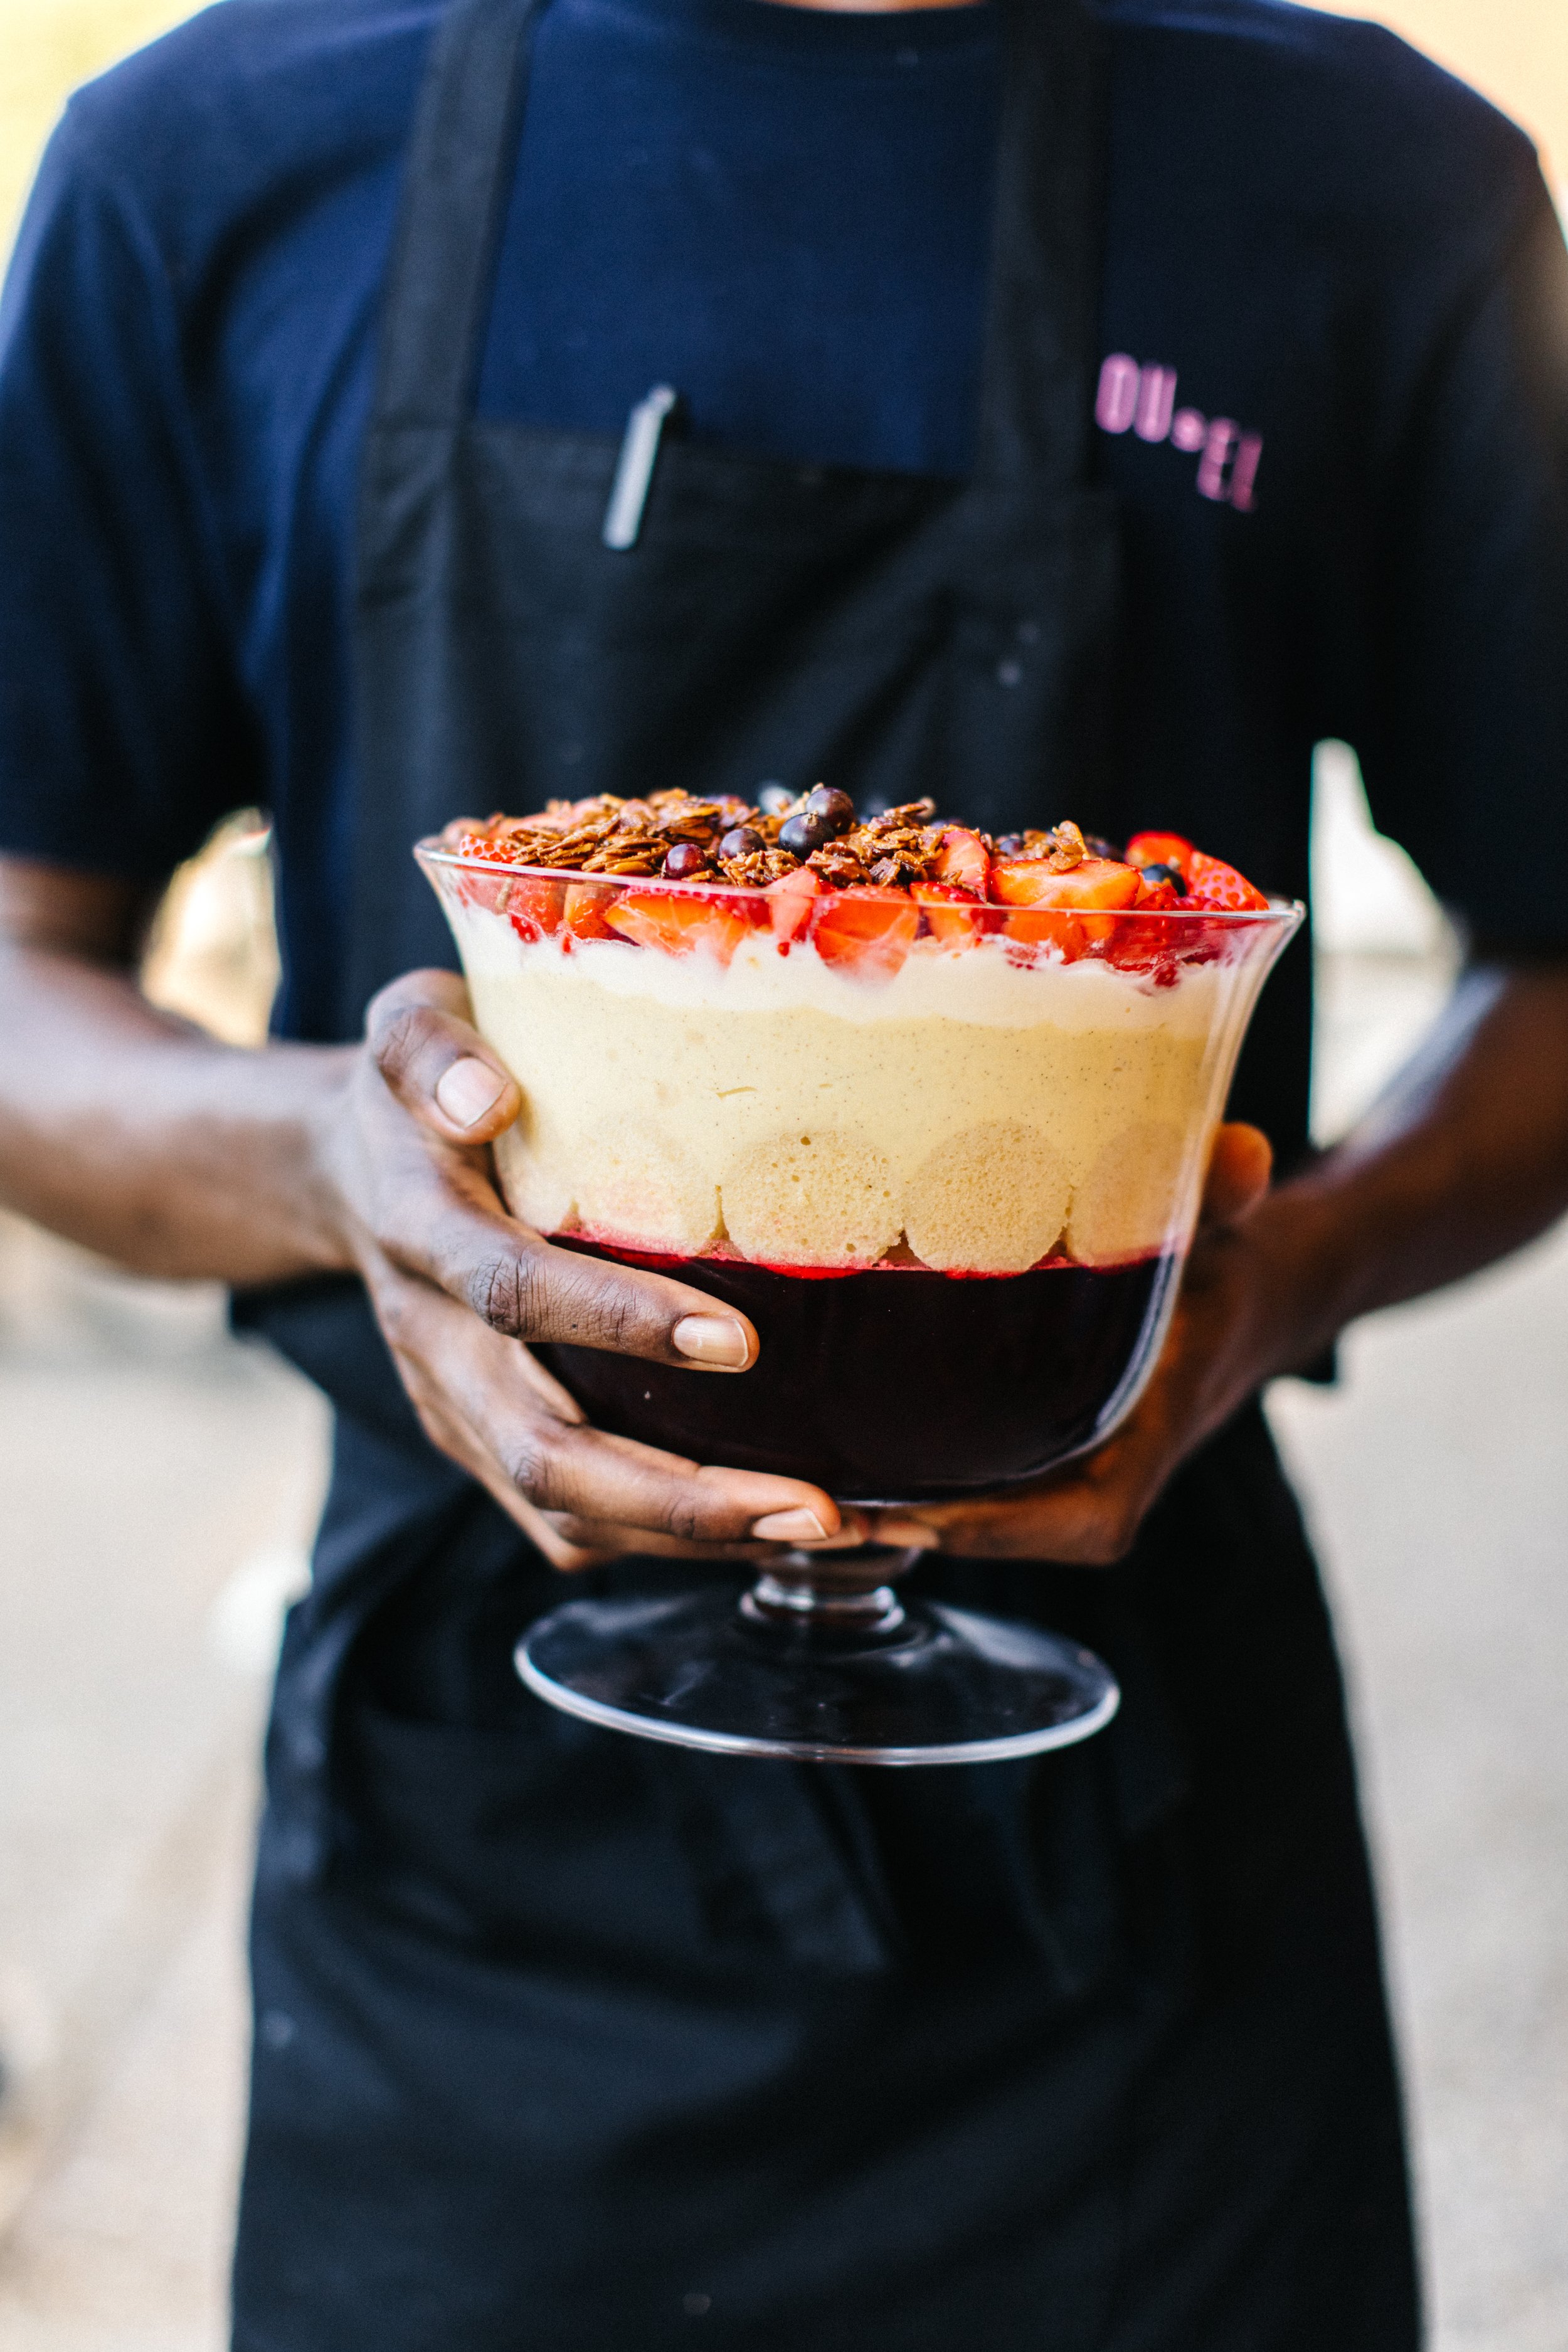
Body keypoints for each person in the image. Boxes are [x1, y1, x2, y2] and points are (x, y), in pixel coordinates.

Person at [3, 0, 1568, 2340]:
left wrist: (1289, 1270)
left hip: (1129, 1878)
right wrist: (335, 1157)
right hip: (472, 1864)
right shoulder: (210, 159)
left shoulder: (1362, 178)